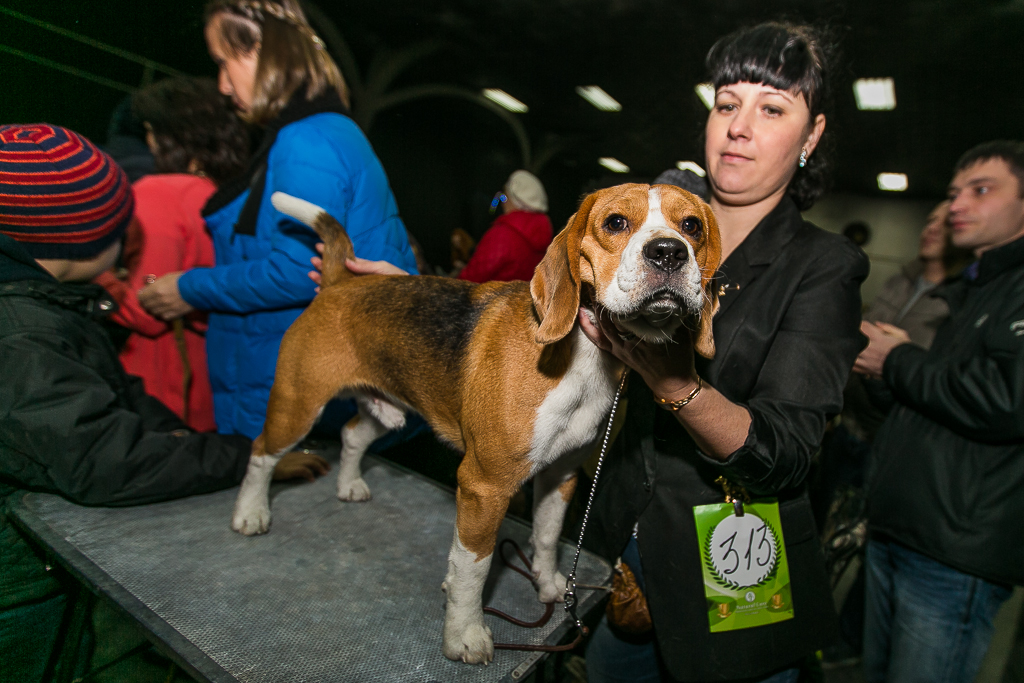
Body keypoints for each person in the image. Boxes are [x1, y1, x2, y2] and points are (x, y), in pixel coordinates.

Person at [578, 22, 869, 682]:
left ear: (812, 136)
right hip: (619, 546)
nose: (739, 126)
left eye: (772, 109)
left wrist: (672, 379)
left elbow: (784, 454)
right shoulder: (655, 226)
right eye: (726, 102)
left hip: (730, 563)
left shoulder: (824, 266)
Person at [0, 123, 327, 682]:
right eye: (119, 226)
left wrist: (202, 442)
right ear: (75, 238)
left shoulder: (46, 303)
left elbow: (115, 395)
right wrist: (241, 459)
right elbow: (103, 458)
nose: (131, 239)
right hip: (14, 581)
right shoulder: (19, 335)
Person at [138, 0, 418, 439]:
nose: (223, 86)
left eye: (224, 63)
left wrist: (185, 287)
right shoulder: (324, 130)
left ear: (260, 53)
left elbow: (295, 274)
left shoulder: (305, 140)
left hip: (282, 382)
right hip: (287, 371)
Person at [853, 140, 1024, 683]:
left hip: (954, 554)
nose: (956, 205)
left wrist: (898, 360)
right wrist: (885, 371)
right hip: (906, 529)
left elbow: (1009, 400)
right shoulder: (978, 288)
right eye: (953, 193)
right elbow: (944, 401)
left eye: (981, 190)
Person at [95, 77, 250, 432]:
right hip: (216, 398)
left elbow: (147, 298)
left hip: (160, 399)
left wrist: (100, 279)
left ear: (164, 135)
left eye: (149, 133)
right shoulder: (234, 198)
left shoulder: (160, 193)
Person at [458, 169, 553, 282]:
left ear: (515, 201)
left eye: (505, 197)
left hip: (493, 299)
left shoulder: (502, 235)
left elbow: (470, 279)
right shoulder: (545, 233)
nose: (503, 202)